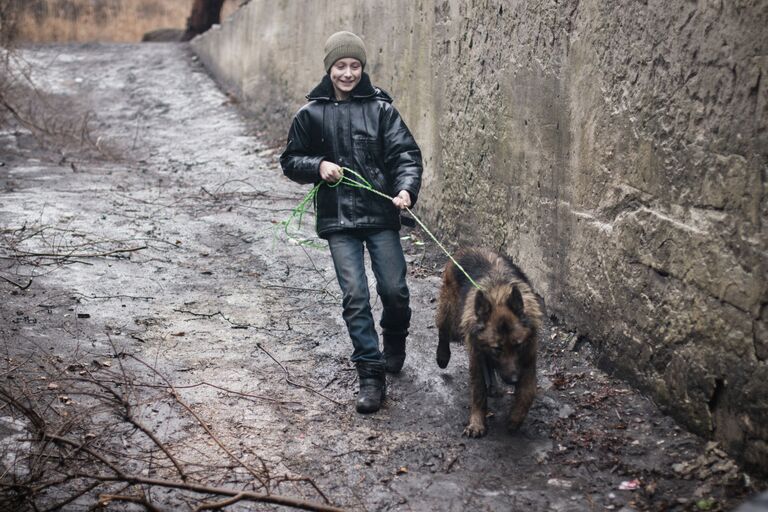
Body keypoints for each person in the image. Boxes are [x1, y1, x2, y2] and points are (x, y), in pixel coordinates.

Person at [280, 31, 423, 414]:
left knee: (394, 289)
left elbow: (405, 155)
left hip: (380, 215)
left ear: (363, 67)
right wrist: (318, 165)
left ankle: (394, 339)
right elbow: (291, 161)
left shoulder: (382, 110)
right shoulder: (310, 114)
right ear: (329, 68)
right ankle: (370, 373)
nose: (348, 73)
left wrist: (406, 190)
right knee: (355, 296)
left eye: (354, 66)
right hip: (338, 219)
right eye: (340, 66)